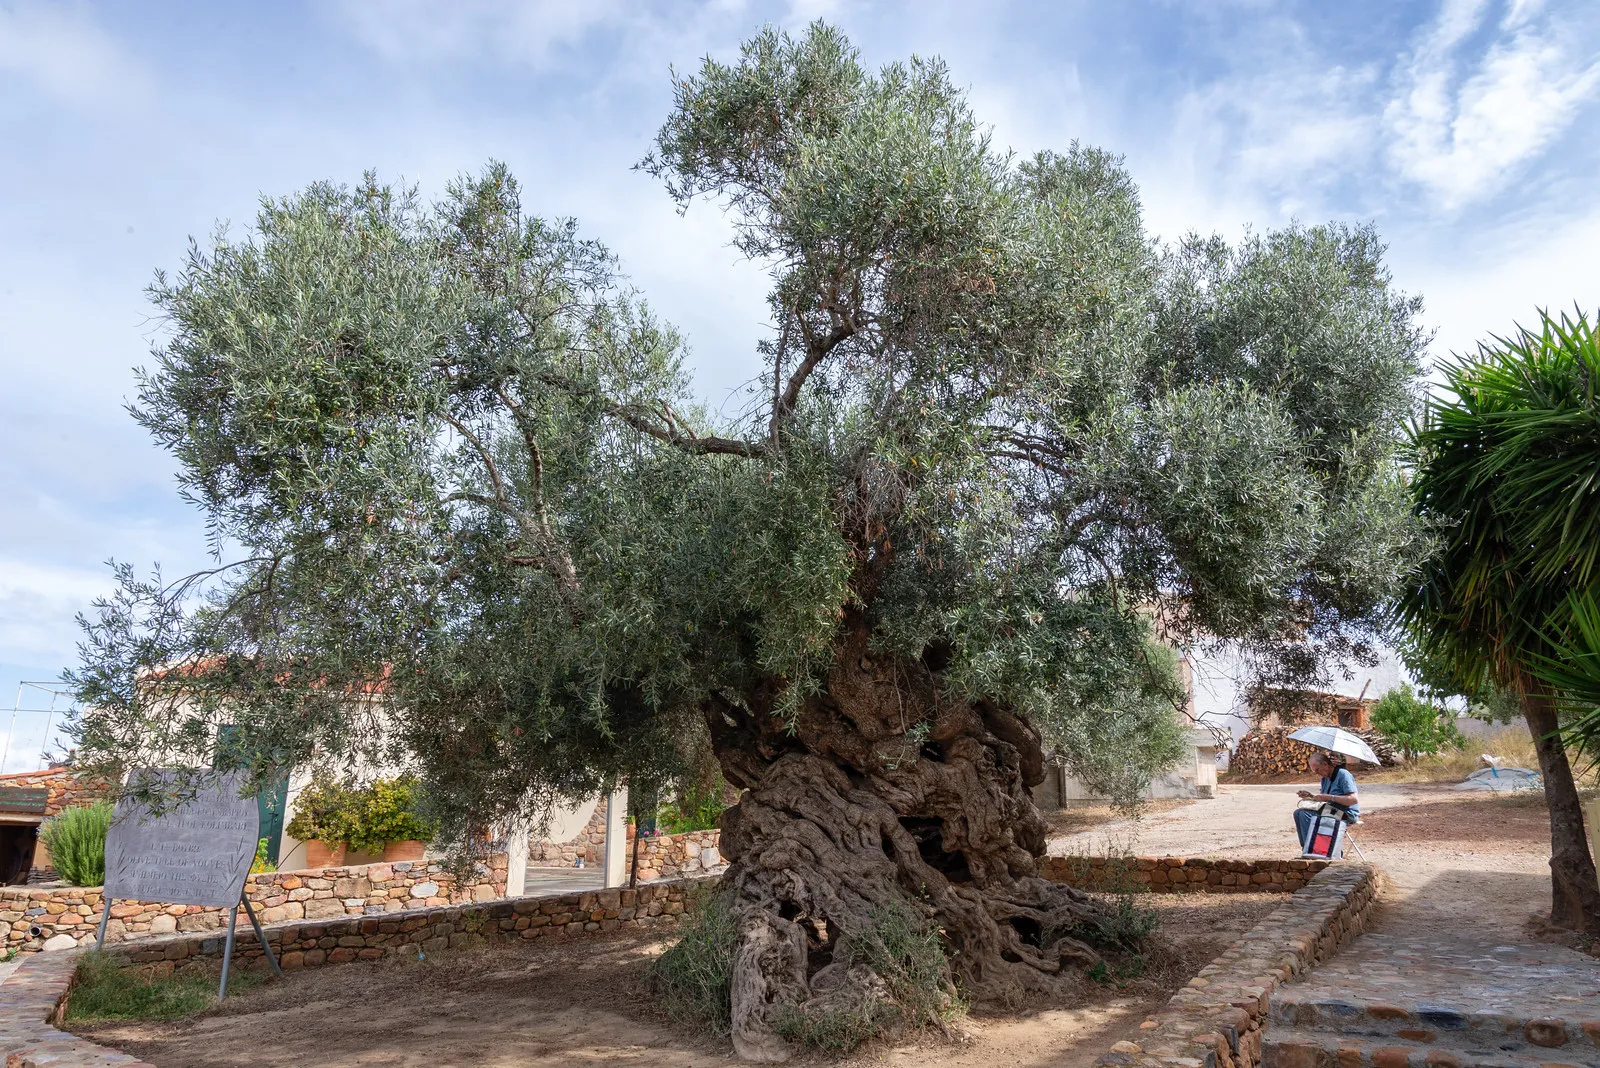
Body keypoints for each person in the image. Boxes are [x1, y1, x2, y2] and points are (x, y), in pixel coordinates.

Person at [1292, 751, 1360, 852]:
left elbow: (1353, 799)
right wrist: (1310, 796)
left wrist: (1330, 797)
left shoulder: (1343, 774)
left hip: (1345, 814)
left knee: (1305, 814)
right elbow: (1324, 800)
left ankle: (1314, 850)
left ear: (1325, 764)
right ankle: (1307, 847)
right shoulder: (1325, 779)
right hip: (1330, 810)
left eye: (1317, 770)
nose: (1317, 773)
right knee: (1297, 813)